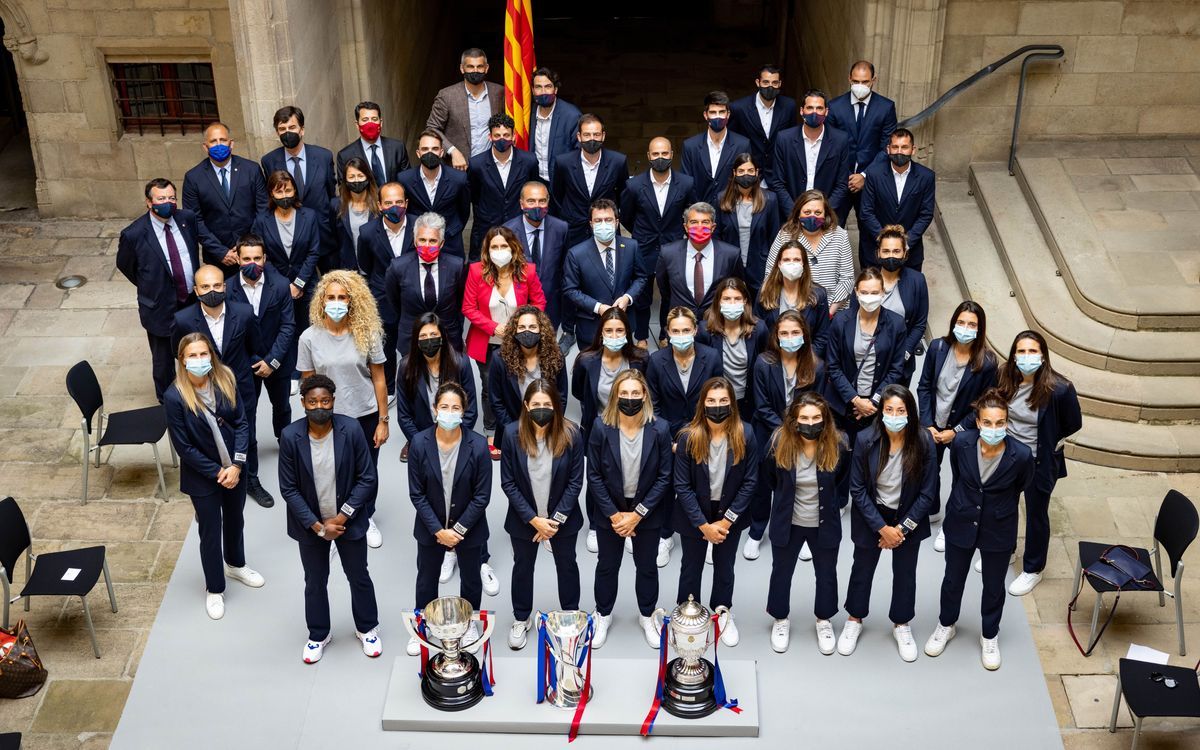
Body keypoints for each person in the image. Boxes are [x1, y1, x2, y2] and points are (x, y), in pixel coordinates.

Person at [924, 389, 1034, 671]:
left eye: (1000, 423)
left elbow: (1019, 486)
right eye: (988, 422)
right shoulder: (960, 443)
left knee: (994, 586)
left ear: (1007, 423)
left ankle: (990, 634)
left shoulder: (1021, 455)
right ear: (978, 421)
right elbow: (959, 477)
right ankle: (946, 624)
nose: (994, 428)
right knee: (952, 579)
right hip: (961, 520)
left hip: (999, 526)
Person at [278, 374, 381, 663]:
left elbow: (367, 477)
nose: (319, 406)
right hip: (310, 525)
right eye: (313, 402)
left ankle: (367, 627)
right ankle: (318, 634)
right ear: (303, 404)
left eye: (325, 401)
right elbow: (288, 487)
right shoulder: (290, 437)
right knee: (315, 580)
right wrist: (317, 525)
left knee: (358, 575)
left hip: (347, 521)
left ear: (333, 401)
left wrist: (343, 516)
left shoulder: (351, 430)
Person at [163, 333, 262, 620]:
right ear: (182, 360)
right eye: (192, 356)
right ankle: (215, 588)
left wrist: (237, 465)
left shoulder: (225, 378)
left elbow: (242, 422)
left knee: (235, 519)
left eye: (203, 354)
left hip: (235, 468)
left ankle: (236, 564)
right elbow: (184, 446)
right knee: (209, 530)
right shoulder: (174, 396)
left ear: (211, 355)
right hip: (204, 476)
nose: (199, 360)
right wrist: (219, 472)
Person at [841, 384, 936, 662]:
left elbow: (928, 492)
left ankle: (902, 623)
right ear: (881, 412)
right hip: (873, 515)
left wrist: (901, 529)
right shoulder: (865, 439)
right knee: (862, 569)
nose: (894, 415)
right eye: (889, 410)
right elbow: (857, 489)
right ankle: (854, 619)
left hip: (908, 516)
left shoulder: (924, 441)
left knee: (905, 573)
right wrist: (882, 529)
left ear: (911, 412)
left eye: (901, 410)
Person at [296, 270, 388, 548]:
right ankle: (334, 520)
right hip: (327, 418)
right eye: (331, 297)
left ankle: (366, 517)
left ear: (352, 301)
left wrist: (383, 420)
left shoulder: (368, 334)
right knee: (332, 469)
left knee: (366, 470)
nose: (336, 302)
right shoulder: (309, 338)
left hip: (365, 414)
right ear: (321, 301)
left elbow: (380, 378)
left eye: (342, 297)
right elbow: (308, 384)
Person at [587, 369, 673, 649]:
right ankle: (603, 614)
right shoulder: (601, 427)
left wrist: (637, 514)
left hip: (645, 513)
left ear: (645, 395)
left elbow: (664, 476)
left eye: (636, 393)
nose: (630, 398)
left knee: (646, 567)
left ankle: (647, 615)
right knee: (607, 566)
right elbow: (595, 475)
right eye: (624, 393)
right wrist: (614, 515)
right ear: (615, 396)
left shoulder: (660, 428)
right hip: (609, 513)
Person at [406, 383, 493, 655]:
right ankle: (423, 626)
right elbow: (417, 494)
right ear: (435, 410)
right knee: (426, 578)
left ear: (464, 413)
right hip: (430, 528)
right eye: (444, 407)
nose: (449, 412)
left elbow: (482, 495)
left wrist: (457, 530)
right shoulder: (419, 443)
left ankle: (468, 626)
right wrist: (437, 530)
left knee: (470, 578)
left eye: (455, 408)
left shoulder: (478, 445)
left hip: (469, 529)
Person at [171, 264, 268, 506]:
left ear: (224, 286)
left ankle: (250, 479)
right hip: (202, 392)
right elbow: (179, 352)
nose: (212, 290)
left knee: (248, 434)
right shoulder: (183, 320)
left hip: (240, 387)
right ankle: (216, 481)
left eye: (216, 285)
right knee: (207, 436)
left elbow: (254, 345)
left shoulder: (244, 313)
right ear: (196, 290)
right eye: (205, 286)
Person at [672, 376, 758, 646]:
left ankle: (722, 612)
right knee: (690, 566)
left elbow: (750, 481)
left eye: (723, 401)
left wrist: (726, 521)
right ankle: (688, 614)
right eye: (711, 401)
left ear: (732, 404)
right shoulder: (688, 436)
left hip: (729, 514)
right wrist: (703, 525)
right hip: (694, 514)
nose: (717, 406)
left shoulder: (746, 433)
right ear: (702, 404)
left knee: (725, 566)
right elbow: (682, 486)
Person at [500, 379, 585, 649]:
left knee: (567, 565)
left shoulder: (572, 434)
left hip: (562, 520)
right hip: (525, 518)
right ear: (526, 406)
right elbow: (508, 483)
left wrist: (554, 521)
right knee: (523, 567)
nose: (541, 409)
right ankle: (521, 618)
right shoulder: (511, 434)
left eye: (546, 404)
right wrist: (534, 519)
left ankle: (571, 617)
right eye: (535, 404)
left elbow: (575, 482)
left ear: (556, 406)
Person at [996, 330, 1082, 596]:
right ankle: (1006, 550)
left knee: (1036, 513)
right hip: (1008, 456)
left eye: (1032, 351)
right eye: (1020, 351)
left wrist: (1047, 440)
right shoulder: (1004, 376)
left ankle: (1033, 568)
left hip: (1039, 461)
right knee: (1005, 506)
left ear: (1043, 355)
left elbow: (1073, 423)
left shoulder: (1060, 389)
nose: (1026, 357)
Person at [764, 391, 847, 654]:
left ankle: (823, 620)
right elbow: (769, 479)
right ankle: (780, 618)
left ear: (825, 420)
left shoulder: (839, 444)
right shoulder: (778, 442)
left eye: (816, 418)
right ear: (794, 420)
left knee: (826, 574)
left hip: (825, 522)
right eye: (804, 418)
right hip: (788, 521)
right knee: (781, 572)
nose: (810, 423)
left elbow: (841, 484)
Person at [918, 301, 999, 552]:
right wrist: (928, 423)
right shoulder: (937, 348)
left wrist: (957, 431)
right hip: (933, 424)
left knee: (961, 480)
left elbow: (981, 403)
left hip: (962, 430)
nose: (965, 328)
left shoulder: (987, 362)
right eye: (961, 322)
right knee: (927, 469)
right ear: (953, 323)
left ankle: (949, 526)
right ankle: (931, 511)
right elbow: (924, 386)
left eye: (972, 324)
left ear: (980, 329)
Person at [823, 268, 908, 507]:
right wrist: (854, 399)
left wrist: (873, 400)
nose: (869, 297)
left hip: (876, 404)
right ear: (856, 293)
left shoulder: (896, 323)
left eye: (875, 292)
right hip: (843, 401)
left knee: (872, 454)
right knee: (840, 452)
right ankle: (839, 500)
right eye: (864, 292)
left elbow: (896, 368)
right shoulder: (841, 320)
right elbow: (834, 365)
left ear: (883, 293)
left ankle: (867, 502)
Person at [746, 311, 825, 560]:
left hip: (806, 435)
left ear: (804, 334)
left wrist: (799, 433)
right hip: (767, 433)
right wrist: (785, 432)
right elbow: (761, 406)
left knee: (795, 482)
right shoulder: (763, 362)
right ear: (776, 336)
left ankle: (797, 532)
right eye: (784, 333)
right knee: (761, 484)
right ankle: (756, 532)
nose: (789, 337)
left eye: (795, 332)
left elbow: (818, 406)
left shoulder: (816, 366)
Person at [116, 178, 201, 401]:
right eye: (161, 198)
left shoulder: (187, 219)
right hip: (159, 307)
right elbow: (126, 265)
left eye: (172, 198)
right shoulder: (134, 234)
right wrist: (150, 285)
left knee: (196, 350)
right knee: (163, 361)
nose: (168, 202)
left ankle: (198, 393)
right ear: (149, 202)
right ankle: (168, 402)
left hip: (191, 301)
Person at [573, 308, 648, 553]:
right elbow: (578, 392)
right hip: (599, 430)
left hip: (634, 427)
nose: (614, 335)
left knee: (631, 476)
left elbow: (647, 394)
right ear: (601, 333)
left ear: (627, 333)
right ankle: (596, 525)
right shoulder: (586, 360)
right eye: (609, 331)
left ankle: (627, 521)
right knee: (597, 478)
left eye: (619, 330)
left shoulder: (640, 359)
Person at [463, 225, 547, 439]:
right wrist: (494, 327)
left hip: (521, 340)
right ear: (487, 250)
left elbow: (539, 302)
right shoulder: (475, 271)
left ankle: (524, 425)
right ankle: (491, 431)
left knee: (520, 384)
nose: (499, 250)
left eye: (504, 245)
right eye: (494, 246)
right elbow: (468, 308)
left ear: (513, 247)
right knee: (490, 387)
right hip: (487, 343)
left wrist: (522, 324)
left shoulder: (528, 271)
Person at [619, 137, 696, 345]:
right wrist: (641, 233)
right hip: (643, 247)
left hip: (673, 247)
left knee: (669, 294)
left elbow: (689, 214)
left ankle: (664, 334)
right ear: (648, 156)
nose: (660, 158)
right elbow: (626, 215)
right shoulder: (634, 185)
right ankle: (642, 336)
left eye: (664, 153)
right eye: (655, 154)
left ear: (671, 154)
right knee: (642, 295)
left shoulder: (686, 183)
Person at [225, 235, 296, 447]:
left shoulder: (281, 285)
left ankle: (285, 441)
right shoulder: (227, 290)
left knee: (282, 405)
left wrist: (272, 361)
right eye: (247, 259)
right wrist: (256, 360)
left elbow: (288, 326)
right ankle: (250, 449)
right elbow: (231, 333)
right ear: (237, 259)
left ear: (265, 258)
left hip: (278, 361)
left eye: (257, 258)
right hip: (246, 363)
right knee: (247, 410)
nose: (252, 263)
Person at [183, 122, 269, 275]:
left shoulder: (252, 169)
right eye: (213, 141)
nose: (219, 145)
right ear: (205, 147)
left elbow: (263, 209)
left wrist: (247, 246)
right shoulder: (193, 178)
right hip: (217, 258)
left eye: (222, 140)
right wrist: (221, 252)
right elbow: (194, 220)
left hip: (252, 254)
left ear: (231, 143)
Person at [261, 106, 338, 272]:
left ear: (302, 130)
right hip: (290, 242)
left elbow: (331, 194)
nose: (287, 132)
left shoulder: (323, 156)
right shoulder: (269, 161)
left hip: (323, 234)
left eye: (292, 127)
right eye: (282, 129)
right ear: (277, 133)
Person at [562, 198, 647, 347]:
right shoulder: (576, 254)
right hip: (591, 328)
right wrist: (598, 307)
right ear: (591, 224)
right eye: (598, 220)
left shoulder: (631, 247)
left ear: (616, 222)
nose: (603, 224)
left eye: (608, 220)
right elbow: (570, 289)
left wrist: (628, 297)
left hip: (623, 326)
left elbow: (641, 277)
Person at [384, 212, 467, 363]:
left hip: (448, 338)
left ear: (441, 243)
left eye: (432, 241)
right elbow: (394, 302)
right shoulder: (398, 267)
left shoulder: (457, 266)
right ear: (415, 241)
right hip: (411, 339)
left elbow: (461, 303)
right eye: (422, 240)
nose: (427, 245)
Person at [356, 182, 414, 397]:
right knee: (386, 345)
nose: (394, 207)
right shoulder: (368, 232)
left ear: (406, 203)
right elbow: (366, 265)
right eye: (388, 202)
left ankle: (412, 386)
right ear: (380, 206)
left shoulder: (419, 226)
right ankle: (389, 390)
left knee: (412, 343)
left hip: (413, 296)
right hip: (382, 296)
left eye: (399, 202)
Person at [395, 312, 478, 462]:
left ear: (442, 337)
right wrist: (421, 443)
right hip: (422, 436)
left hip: (456, 435)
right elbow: (404, 416)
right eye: (423, 337)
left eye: (433, 334)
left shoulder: (461, 363)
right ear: (416, 341)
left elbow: (471, 410)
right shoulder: (405, 367)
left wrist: (456, 440)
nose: (429, 340)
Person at [655, 201, 746, 338]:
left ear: (713, 227)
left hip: (717, 326)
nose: (699, 226)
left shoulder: (731, 254)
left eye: (705, 222)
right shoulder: (668, 253)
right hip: (681, 326)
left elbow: (738, 286)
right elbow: (665, 288)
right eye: (694, 222)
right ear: (686, 227)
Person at [825, 61, 898, 227]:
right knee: (832, 229)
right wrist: (847, 177)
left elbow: (886, 147)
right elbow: (830, 146)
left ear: (873, 80)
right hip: (840, 180)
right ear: (849, 79)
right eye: (856, 81)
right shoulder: (835, 107)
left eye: (865, 82)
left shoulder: (886, 108)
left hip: (871, 181)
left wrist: (864, 176)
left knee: (870, 232)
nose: (860, 85)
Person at [250, 170, 322, 334]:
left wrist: (298, 283)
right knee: (284, 331)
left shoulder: (309, 216)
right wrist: (284, 285)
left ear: (294, 190)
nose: (284, 196)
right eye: (279, 191)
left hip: (307, 284)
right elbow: (262, 257)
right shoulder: (262, 220)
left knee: (310, 330)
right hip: (275, 285)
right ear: (271, 193)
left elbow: (313, 253)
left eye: (288, 190)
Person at [486, 305, 568, 443]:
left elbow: (561, 397)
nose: (527, 331)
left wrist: (550, 424)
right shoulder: (499, 359)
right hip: (512, 429)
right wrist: (514, 431)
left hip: (547, 428)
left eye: (532, 327)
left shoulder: (556, 356)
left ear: (541, 330)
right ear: (514, 330)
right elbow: (496, 401)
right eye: (522, 327)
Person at [764, 190, 854, 313]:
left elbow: (847, 279)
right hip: (793, 311)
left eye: (818, 212)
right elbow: (771, 273)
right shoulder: (785, 235)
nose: (812, 216)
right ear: (798, 214)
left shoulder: (840, 235)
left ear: (825, 214)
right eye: (807, 212)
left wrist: (829, 312)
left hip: (833, 311)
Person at [504, 181, 571, 343]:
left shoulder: (561, 228)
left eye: (542, 201)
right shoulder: (508, 231)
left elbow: (565, 268)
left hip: (551, 303)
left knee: (547, 349)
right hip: (518, 306)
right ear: (521, 204)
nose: (537, 206)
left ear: (548, 202)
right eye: (531, 201)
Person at [859, 129, 935, 270]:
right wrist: (884, 241)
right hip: (877, 251)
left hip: (910, 252)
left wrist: (905, 242)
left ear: (913, 150)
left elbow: (926, 214)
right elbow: (866, 211)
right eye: (895, 147)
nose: (899, 152)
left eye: (904, 147)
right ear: (888, 149)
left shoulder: (926, 177)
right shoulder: (874, 174)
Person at [769, 90, 852, 219]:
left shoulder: (840, 140)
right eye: (810, 108)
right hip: (791, 216)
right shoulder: (784, 139)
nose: (814, 112)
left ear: (826, 112)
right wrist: (794, 213)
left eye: (819, 108)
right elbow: (778, 182)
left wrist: (823, 213)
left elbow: (841, 184)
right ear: (801, 111)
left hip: (827, 216)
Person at [862, 225, 928, 384]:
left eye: (896, 251)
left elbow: (919, 324)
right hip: (867, 359)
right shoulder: (867, 279)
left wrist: (904, 352)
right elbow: (853, 319)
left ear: (905, 253)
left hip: (900, 361)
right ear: (878, 253)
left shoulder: (917, 280)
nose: (891, 256)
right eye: (886, 251)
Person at [551, 113, 630, 247]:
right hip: (573, 231)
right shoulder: (563, 162)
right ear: (579, 137)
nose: (592, 139)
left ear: (603, 136)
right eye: (587, 135)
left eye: (596, 134)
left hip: (606, 230)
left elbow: (623, 194)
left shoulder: (618, 161)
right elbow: (557, 194)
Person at [468, 113, 539, 258]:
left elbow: (532, 189)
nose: (502, 139)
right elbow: (475, 196)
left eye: (506, 135)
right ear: (490, 137)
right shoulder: (477, 164)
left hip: (519, 228)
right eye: (497, 135)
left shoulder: (529, 161)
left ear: (514, 137)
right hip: (487, 229)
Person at [697, 276, 767, 416]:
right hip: (717, 401)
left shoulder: (759, 329)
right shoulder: (705, 331)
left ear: (745, 301)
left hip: (748, 401)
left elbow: (764, 367)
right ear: (719, 302)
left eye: (737, 298)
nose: (732, 303)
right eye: (727, 299)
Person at [426, 48, 504, 171]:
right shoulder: (447, 95)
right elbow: (432, 127)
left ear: (486, 68)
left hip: (492, 166)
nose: (475, 71)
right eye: (470, 67)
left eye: (479, 66)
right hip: (458, 167)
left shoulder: (499, 92)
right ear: (462, 68)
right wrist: (452, 151)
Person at [398, 130, 471, 259]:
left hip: (450, 243)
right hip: (418, 244)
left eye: (435, 148)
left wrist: (453, 230)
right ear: (418, 153)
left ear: (441, 152)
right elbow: (407, 211)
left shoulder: (458, 179)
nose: (430, 153)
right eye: (425, 149)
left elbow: (464, 210)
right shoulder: (405, 179)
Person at [716, 153, 780, 296]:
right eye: (741, 171)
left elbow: (774, 238)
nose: (746, 175)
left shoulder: (770, 199)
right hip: (730, 267)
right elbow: (717, 236)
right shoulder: (721, 199)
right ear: (734, 173)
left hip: (760, 267)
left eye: (750, 171)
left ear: (757, 173)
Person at [754, 239, 831, 356]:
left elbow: (822, 337)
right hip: (773, 359)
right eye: (786, 260)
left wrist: (808, 361)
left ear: (803, 264)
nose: (791, 263)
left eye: (796, 260)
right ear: (779, 264)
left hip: (807, 361)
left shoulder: (818, 295)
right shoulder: (766, 292)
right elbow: (758, 331)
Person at [728, 64, 798, 185]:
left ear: (779, 84)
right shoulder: (739, 108)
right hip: (749, 176)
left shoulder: (789, 106)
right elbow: (733, 142)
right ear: (758, 82)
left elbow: (791, 139)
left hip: (778, 175)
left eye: (774, 83)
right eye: (766, 82)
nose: (770, 87)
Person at [680, 91, 751, 209]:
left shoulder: (742, 144)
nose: (718, 116)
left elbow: (745, 180)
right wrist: (699, 210)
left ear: (728, 114)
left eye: (721, 112)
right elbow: (686, 183)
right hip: (700, 215)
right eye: (713, 112)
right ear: (705, 115)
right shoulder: (690, 146)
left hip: (732, 212)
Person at [528, 66, 581, 186]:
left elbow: (579, 153)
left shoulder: (572, 116)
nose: (543, 92)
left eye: (548, 86)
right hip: (536, 181)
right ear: (532, 90)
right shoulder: (527, 114)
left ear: (555, 89)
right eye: (538, 87)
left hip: (563, 182)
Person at [336, 101, 410, 187]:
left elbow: (407, 182)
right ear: (357, 124)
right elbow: (344, 189)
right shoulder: (345, 155)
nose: (370, 124)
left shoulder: (397, 148)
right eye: (365, 120)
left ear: (381, 123)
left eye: (374, 119)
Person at [332, 157, 379, 270]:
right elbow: (334, 238)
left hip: (375, 267)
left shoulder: (379, 203)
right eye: (351, 177)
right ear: (345, 180)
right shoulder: (336, 205)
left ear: (368, 177)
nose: (356, 180)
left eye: (360, 176)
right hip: (348, 269)